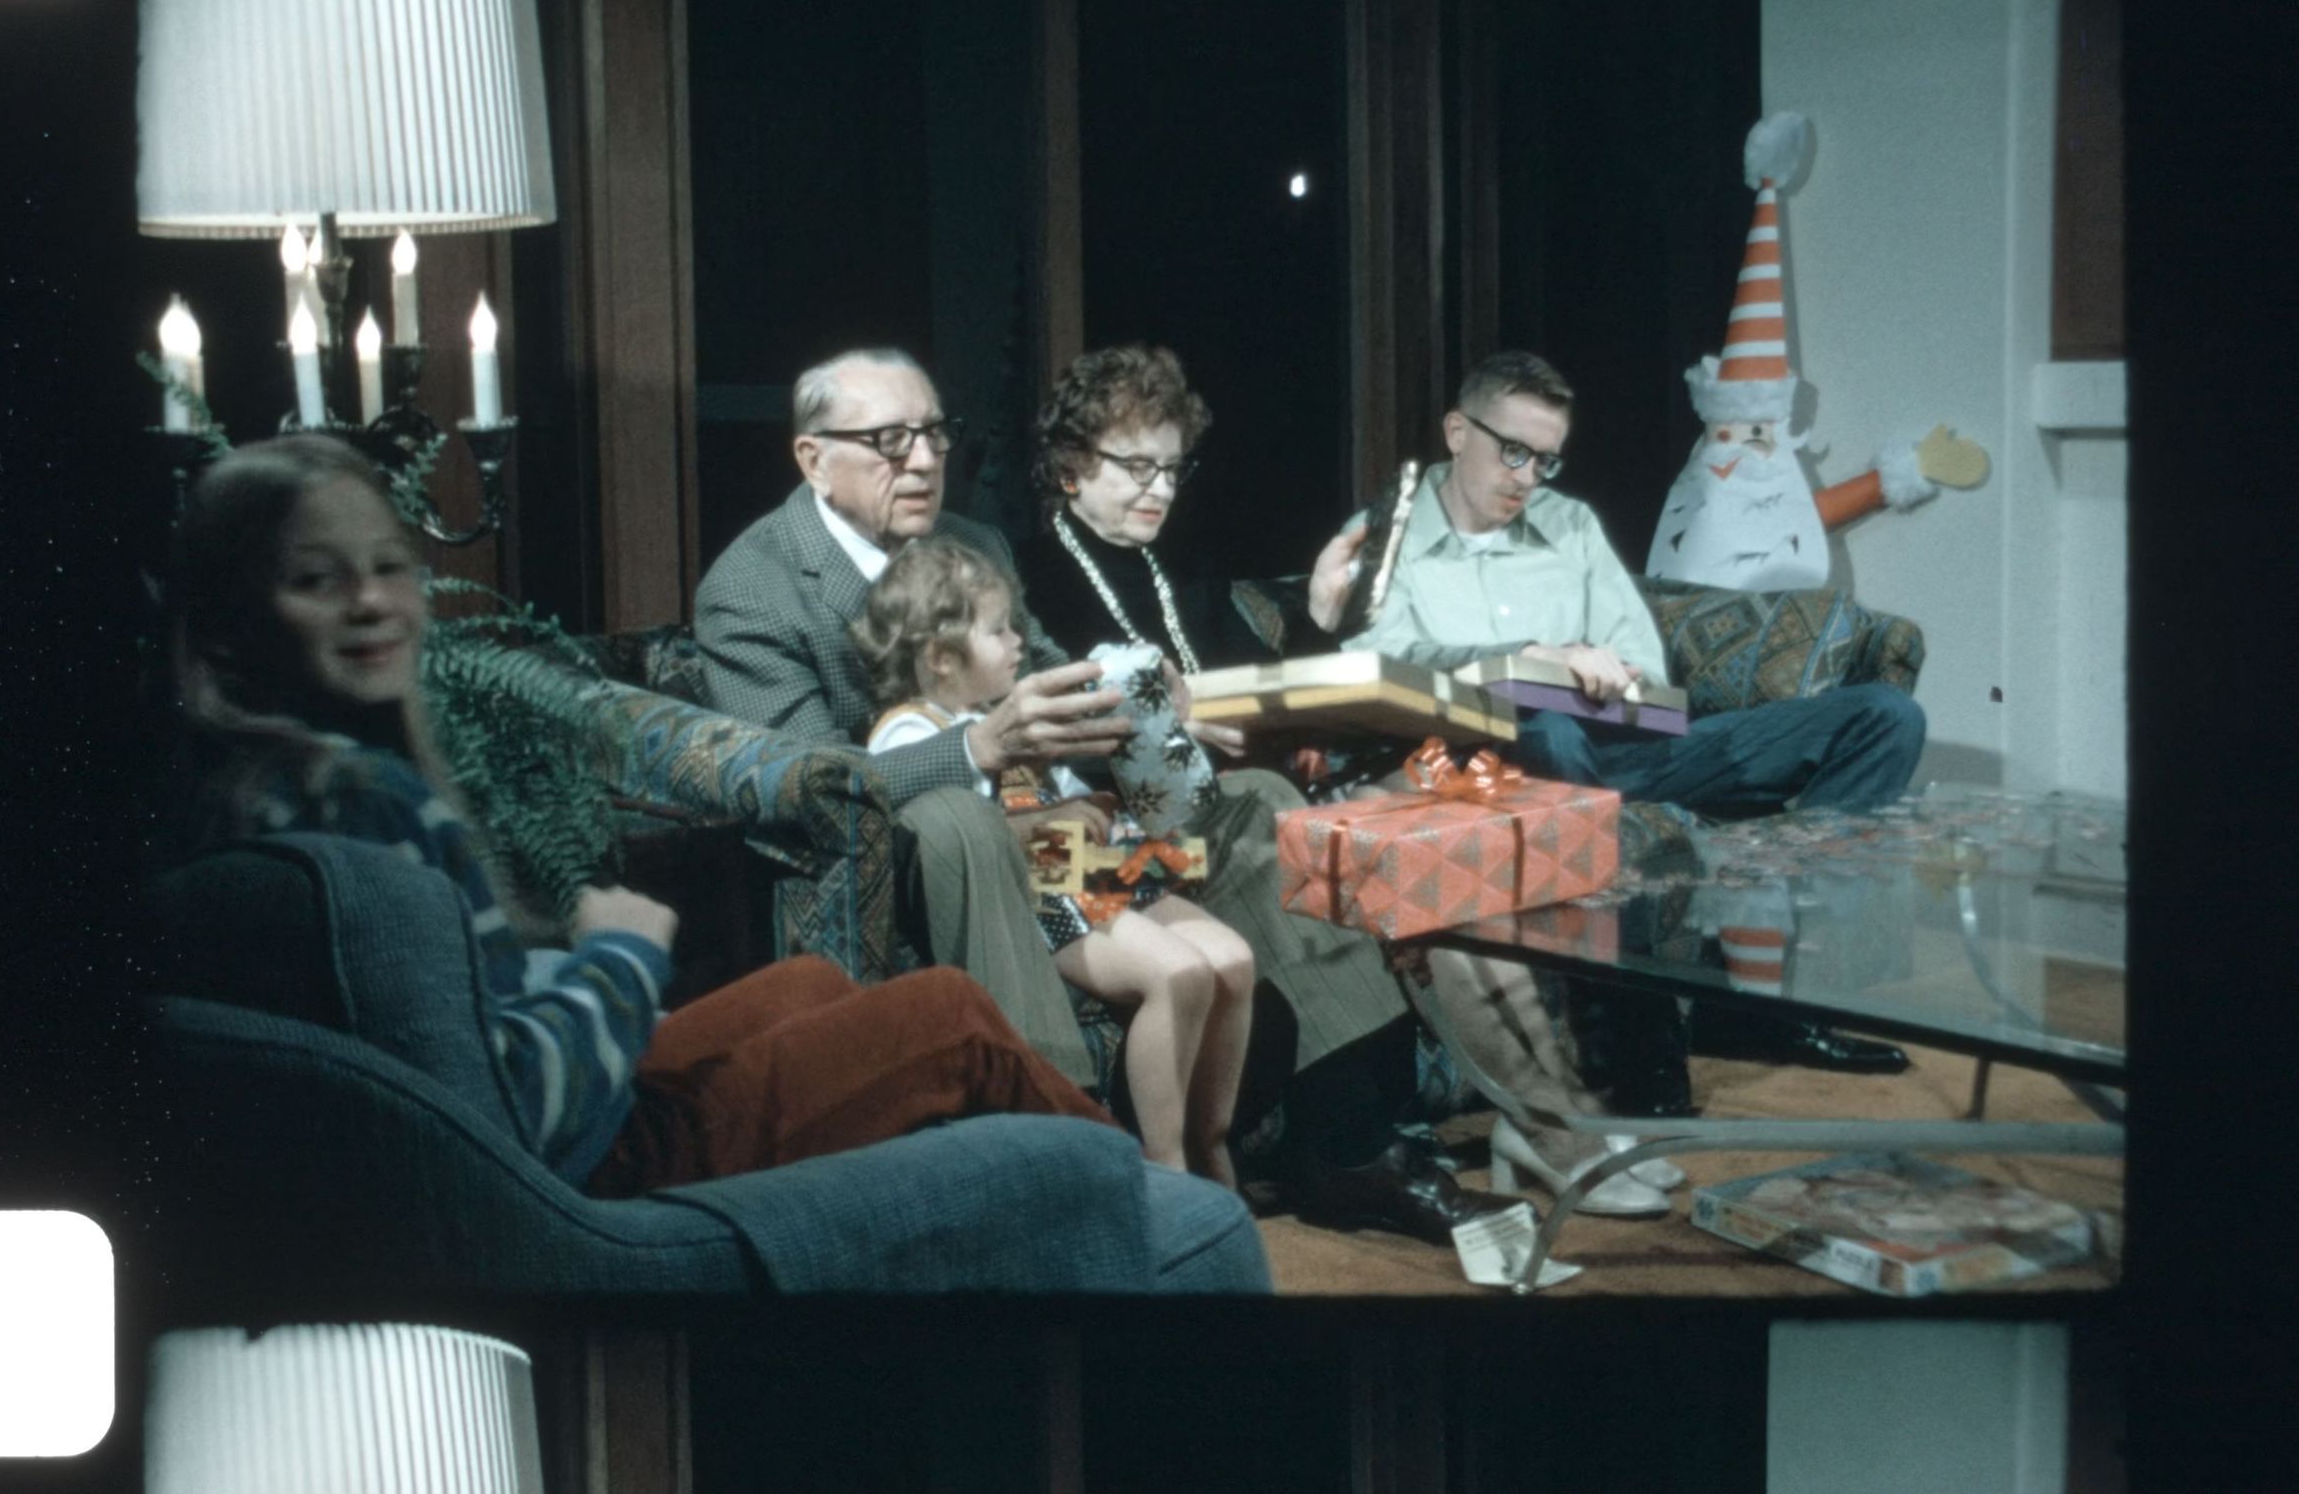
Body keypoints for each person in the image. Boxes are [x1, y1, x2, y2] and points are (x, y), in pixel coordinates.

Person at [696, 347, 1521, 1242]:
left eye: (936, 433)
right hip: (912, 840)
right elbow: (806, 782)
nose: (926, 460)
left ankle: (1352, 1147)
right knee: (958, 818)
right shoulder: (753, 588)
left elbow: (1056, 671)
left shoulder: (972, 541)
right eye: (892, 441)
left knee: (1253, 795)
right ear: (813, 457)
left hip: (1048, 824)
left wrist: (1145, 704)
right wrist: (977, 746)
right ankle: (1055, 1141)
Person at [162, 433, 1118, 1199]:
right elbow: (514, 1111)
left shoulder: (255, 786)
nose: (372, 601)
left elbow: (432, 1018)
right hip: (580, 1161)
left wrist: (551, 972)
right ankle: (1154, 1224)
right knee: (950, 1016)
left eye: (387, 566)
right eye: (317, 580)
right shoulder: (363, 805)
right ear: (231, 616)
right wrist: (618, 955)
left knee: (810, 985)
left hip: (553, 1099)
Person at [1024, 342, 1677, 1216]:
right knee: (1363, 851)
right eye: (1136, 467)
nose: (1160, 489)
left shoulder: (1176, 568)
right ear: (1071, 465)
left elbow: (1272, 686)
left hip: (1247, 799)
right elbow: (1049, 738)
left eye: (1173, 469)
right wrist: (1172, 722)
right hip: (1135, 837)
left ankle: (1550, 1121)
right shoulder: (1030, 574)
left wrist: (1321, 615)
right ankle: (1453, 1142)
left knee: (1457, 841)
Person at [1341, 348, 1924, 1076]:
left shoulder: (1569, 524)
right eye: (1513, 452)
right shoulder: (1390, 534)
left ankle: (1777, 1001)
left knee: (1882, 717)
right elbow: (1378, 664)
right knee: (1548, 727)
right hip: (1486, 759)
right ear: (1458, 432)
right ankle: (1626, 1032)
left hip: (1617, 747)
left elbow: (1645, 663)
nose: (1527, 477)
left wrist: (1606, 671)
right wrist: (1526, 655)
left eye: (1545, 460)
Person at [853, 536, 1254, 1187]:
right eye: (998, 631)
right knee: (1178, 975)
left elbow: (1056, 792)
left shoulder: (1006, 714)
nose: (1019, 642)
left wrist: (1087, 803)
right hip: (1037, 894)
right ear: (942, 658)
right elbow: (942, 830)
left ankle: (1211, 1137)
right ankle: (1165, 1161)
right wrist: (1039, 824)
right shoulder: (912, 729)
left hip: (1086, 868)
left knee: (1232, 961)